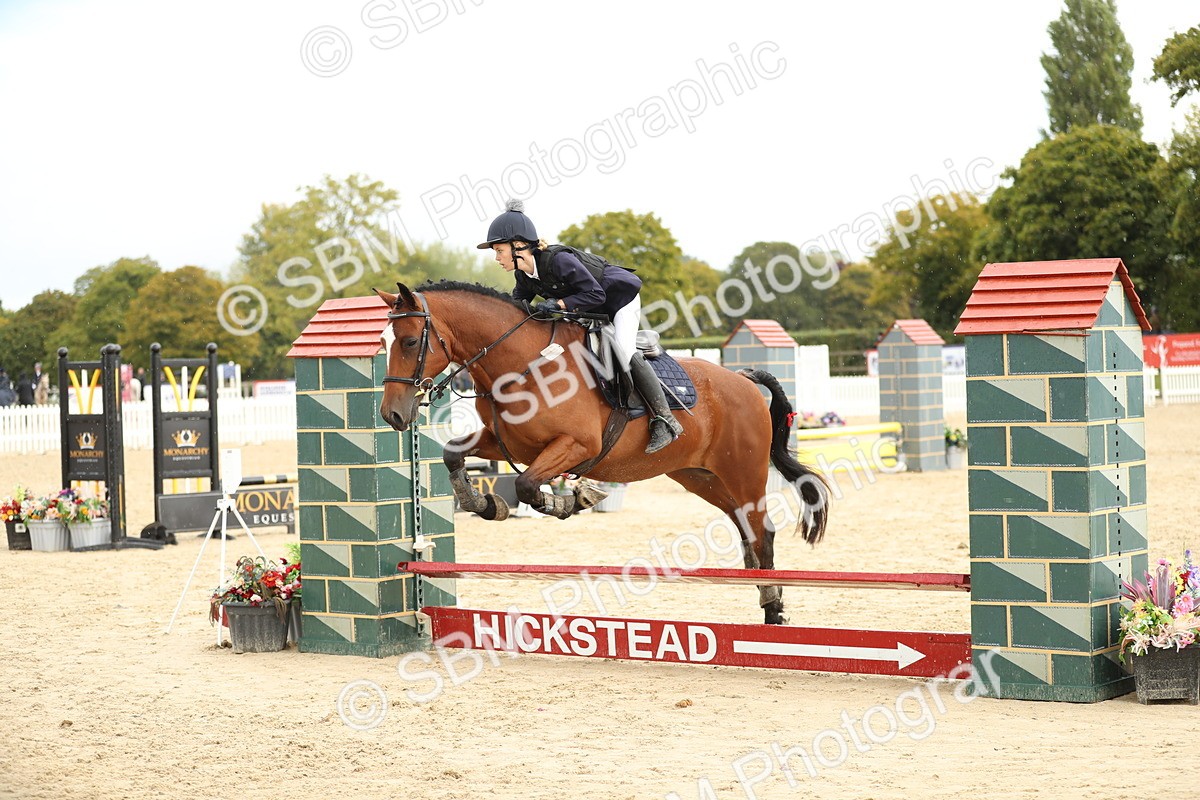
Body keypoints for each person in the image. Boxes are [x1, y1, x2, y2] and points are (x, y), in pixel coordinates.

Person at [478, 200, 684, 454]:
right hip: (588, 310)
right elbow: (517, 307)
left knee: (624, 349)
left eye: (499, 251)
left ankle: (665, 420)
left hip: (618, 301)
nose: (497, 258)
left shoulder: (558, 261)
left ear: (518, 246)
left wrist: (558, 303)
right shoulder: (522, 274)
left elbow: (596, 295)